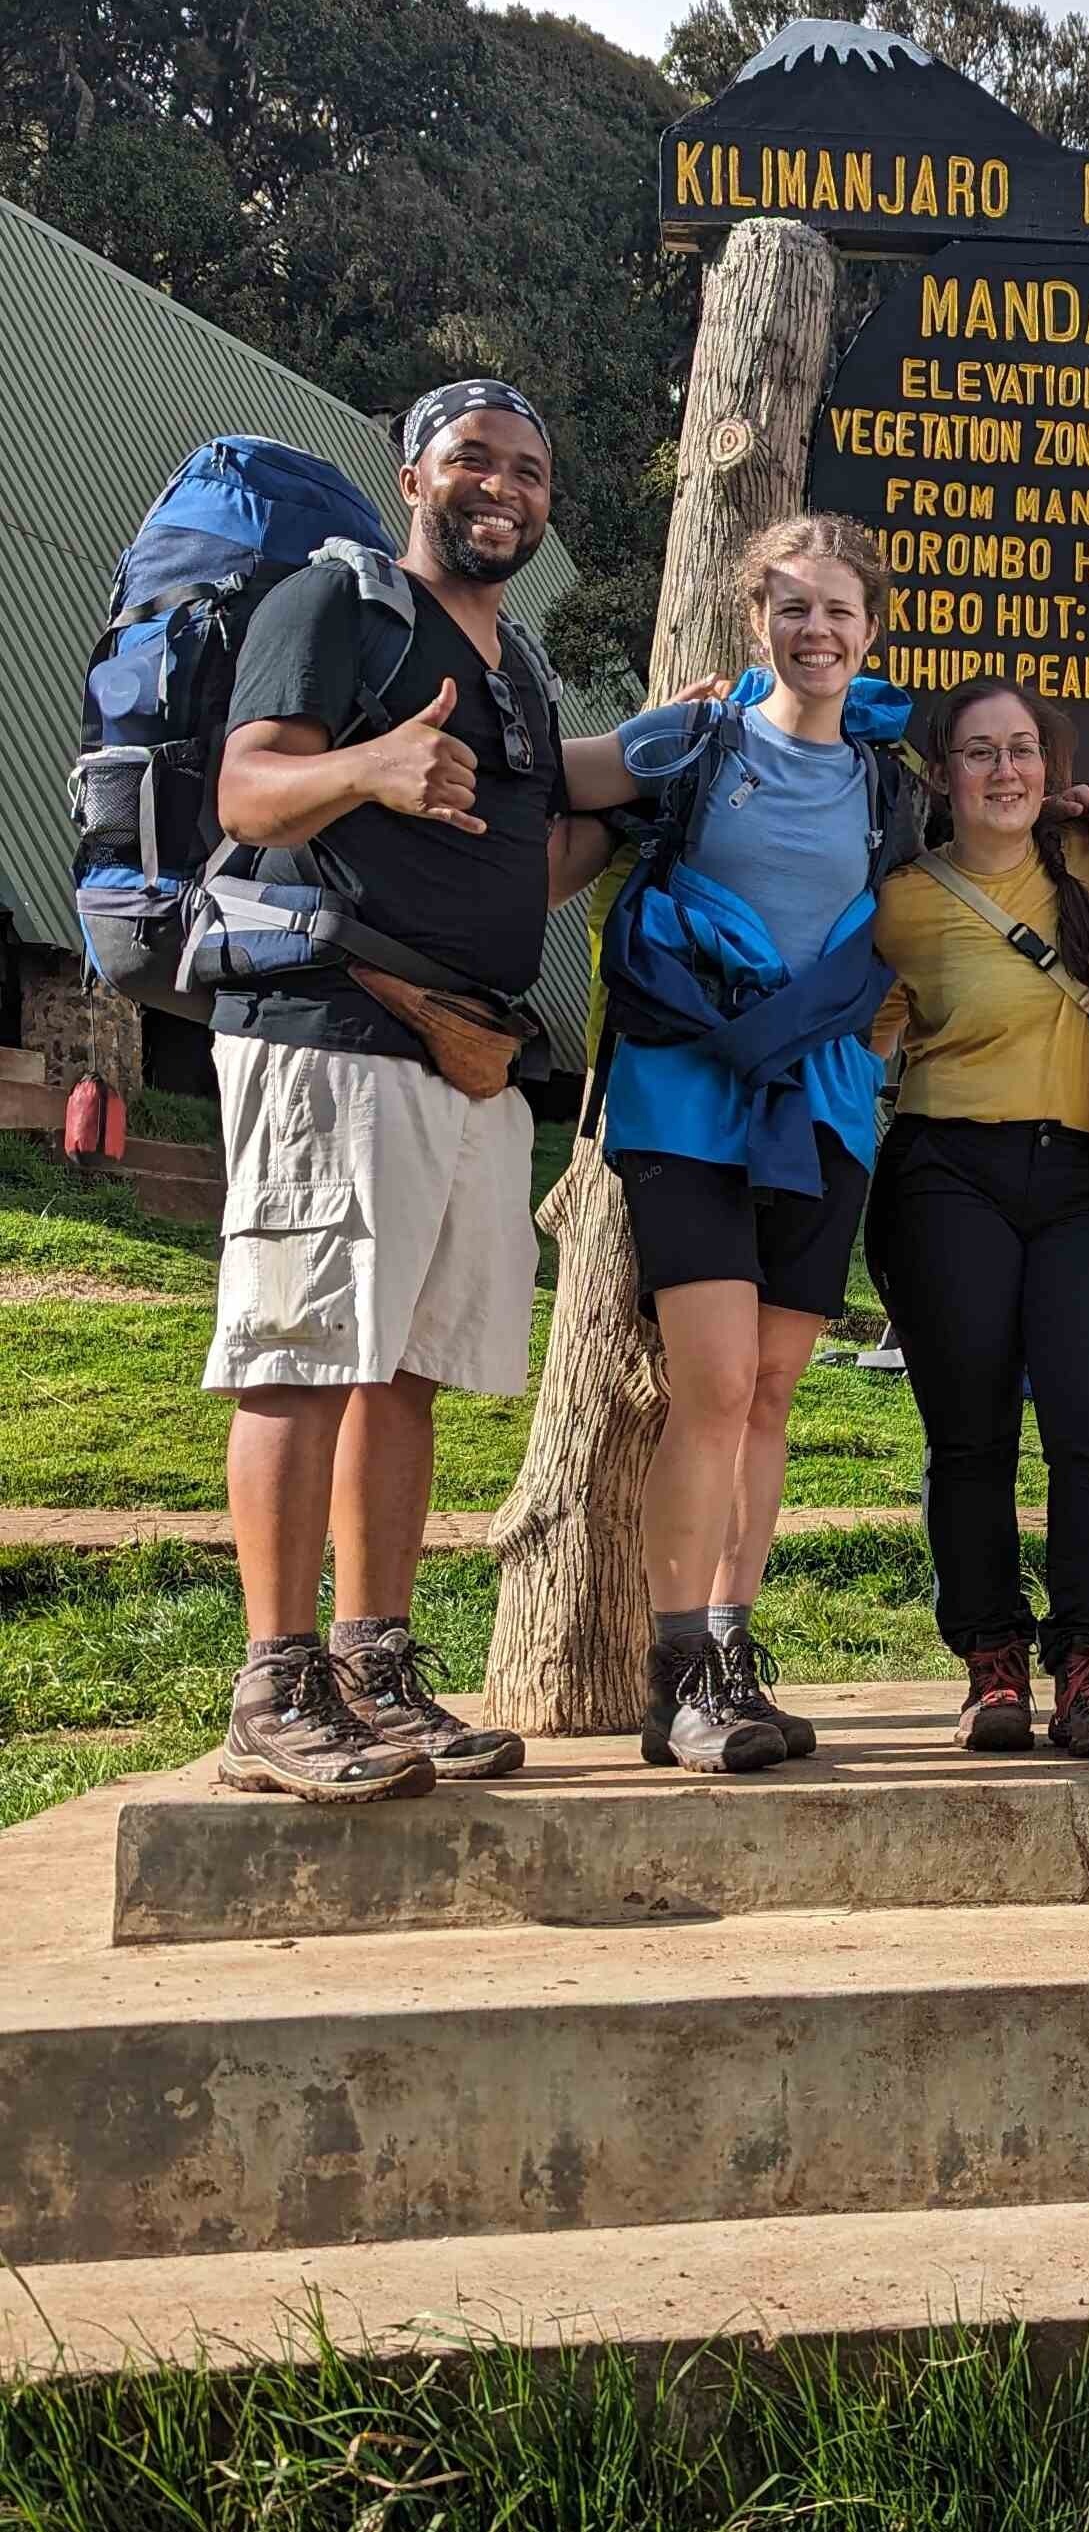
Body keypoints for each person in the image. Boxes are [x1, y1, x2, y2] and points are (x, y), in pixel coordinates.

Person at [209, 380, 612, 1804]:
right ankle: (274, 1688)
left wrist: (645, 808)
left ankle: (373, 1670)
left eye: (529, 469)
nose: (502, 487)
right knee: (303, 1349)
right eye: (472, 460)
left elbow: (530, 866)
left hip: (465, 1049)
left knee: (403, 1369)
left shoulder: (521, 668)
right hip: (335, 1026)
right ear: (412, 477)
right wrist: (371, 763)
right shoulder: (338, 604)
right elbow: (246, 791)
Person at [565, 512, 920, 1776]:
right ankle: (677, 1679)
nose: (816, 630)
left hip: (823, 1106)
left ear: (871, 629)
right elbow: (546, 779)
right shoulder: (695, 742)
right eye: (792, 606)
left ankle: (730, 1647)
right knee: (712, 1385)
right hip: (687, 1097)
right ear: (754, 618)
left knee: (770, 1391)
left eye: (838, 609)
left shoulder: (891, 781)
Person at [867, 677, 1089, 1759]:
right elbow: (865, 1038)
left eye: (1022, 748)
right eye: (979, 751)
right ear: (943, 775)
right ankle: (992, 1659)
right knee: (970, 1431)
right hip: (947, 1170)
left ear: (1050, 764)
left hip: (1082, 1174)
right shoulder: (901, 899)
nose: (1004, 770)